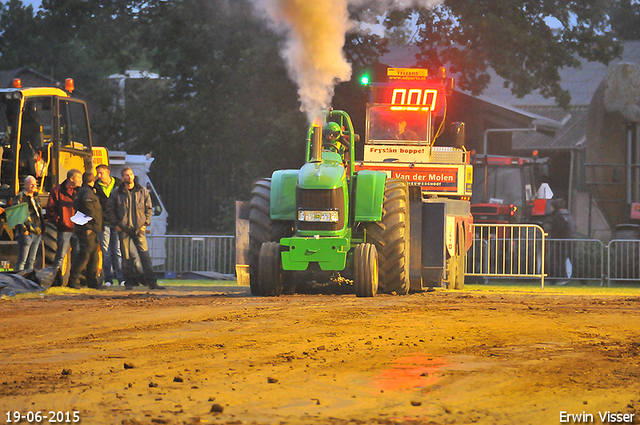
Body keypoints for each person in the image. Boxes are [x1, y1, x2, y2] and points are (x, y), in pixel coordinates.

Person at [106, 167, 164, 290]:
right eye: (126, 175)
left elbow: (149, 209)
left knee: (145, 256)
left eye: (131, 174)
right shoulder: (116, 193)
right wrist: (116, 224)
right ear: (122, 178)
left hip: (139, 230)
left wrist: (145, 224)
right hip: (124, 229)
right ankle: (129, 283)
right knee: (126, 258)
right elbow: (109, 209)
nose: (129, 177)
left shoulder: (142, 191)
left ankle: (152, 283)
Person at [68, 172, 102, 289]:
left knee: (93, 256)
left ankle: (92, 282)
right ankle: (73, 281)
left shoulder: (82, 191)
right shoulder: (88, 193)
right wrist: (92, 222)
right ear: (92, 180)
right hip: (88, 228)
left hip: (88, 228)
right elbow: (89, 209)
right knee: (85, 255)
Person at [47, 169, 82, 272]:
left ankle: (73, 279)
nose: (80, 180)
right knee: (60, 255)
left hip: (78, 228)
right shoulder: (57, 191)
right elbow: (50, 209)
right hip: (64, 229)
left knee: (78, 255)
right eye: (78, 178)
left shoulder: (81, 191)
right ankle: (57, 277)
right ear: (71, 179)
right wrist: (60, 221)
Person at [95, 164, 123, 286]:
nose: (99, 176)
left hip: (117, 222)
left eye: (101, 173)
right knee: (106, 252)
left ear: (108, 172)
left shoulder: (119, 185)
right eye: (98, 173)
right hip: (104, 223)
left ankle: (122, 278)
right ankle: (108, 279)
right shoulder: (96, 186)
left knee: (117, 251)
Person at [14, 175, 45, 270]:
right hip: (28, 232)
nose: (33, 186)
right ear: (25, 185)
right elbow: (17, 215)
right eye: (31, 184)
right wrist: (24, 230)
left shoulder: (36, 197)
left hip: (37, 231)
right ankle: (18, 280)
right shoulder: (21, 197)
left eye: (35, 184)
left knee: (31, 260)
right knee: (22, 260)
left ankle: (27, 281)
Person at [549, 198, 577, 282]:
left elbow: (558, 228)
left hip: (562, 241)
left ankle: (558, 278)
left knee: (558, 259)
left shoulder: (557, 215)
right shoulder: (568, 214)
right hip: (570, 239)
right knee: (573, 260)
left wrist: (553, 237)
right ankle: (583, 279)